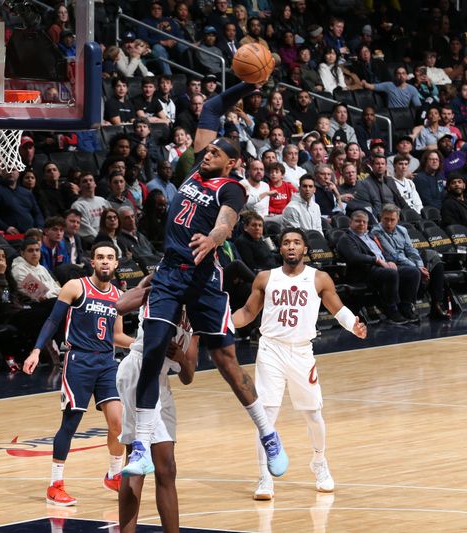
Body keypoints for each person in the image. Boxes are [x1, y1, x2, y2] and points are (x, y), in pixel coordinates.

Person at [123, 81, 288, 480]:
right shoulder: (198, 169)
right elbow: (213, 105)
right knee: (153, 349)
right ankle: (141, 445)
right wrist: (248, 85)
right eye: (209, 149)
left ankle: (268, 435)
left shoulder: (231, 188)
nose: (208, 151)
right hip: (169, 273)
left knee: (227, 361)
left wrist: (215, 237)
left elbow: (227, 220)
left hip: (204, 278)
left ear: (231, 163)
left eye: (216, 152)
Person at [232, 227, 367, 500]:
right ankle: (264, 477)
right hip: (270, 350)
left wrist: (353, 325)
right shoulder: (265, 278)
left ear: (305, 249)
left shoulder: (318, 278)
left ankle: (319, 461)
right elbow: (247, 312)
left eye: (296, 242)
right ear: (280, 249)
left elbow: (337, 308)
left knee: (313, 415)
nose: (291, 246)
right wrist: (221, 326)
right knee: (265, 418)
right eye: (286, 243)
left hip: (302, 353)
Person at [22, 243, 134, 506]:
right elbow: (52, 321)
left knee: (118, 424)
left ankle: (114, 474)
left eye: (110, 258)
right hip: (79, 361)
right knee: (70, 424)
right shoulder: (76, 287)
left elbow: (116, 336)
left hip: (107, 362)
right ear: (92, 262)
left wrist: (143, 344)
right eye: (100, 257)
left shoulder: (118, 295)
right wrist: (36, 351)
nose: (105, 262)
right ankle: (55, 485)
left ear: (116, 264)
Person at [116, 279, 197, 533]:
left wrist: (181, 358)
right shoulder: (161, 289)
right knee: (139, 464)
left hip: (162, 381)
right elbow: (120, 305)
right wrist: (149, 285)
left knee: (167, 468)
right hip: (138, 370)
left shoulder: (197, 312)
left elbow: (188, 376)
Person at [335, 210, 416, 324]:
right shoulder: (345, 238)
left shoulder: (371, 236)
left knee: (412, 272)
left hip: (380, 267)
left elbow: (383, 252)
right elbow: (354, 257)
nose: (361, 224)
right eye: (358, 221)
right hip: (363, 271)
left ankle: (406, 307)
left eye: (364, 222)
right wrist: (377, 260)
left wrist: (390, 261)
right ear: (350, 222)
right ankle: (391, 310)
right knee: (390, 274)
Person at [372, 204, 450, 321]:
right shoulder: (376, 231)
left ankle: (436, 305)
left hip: (408, 261)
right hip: (392, 263)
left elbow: (411, 250)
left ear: (398, 219)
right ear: (380, 218)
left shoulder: (402, 230)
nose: (388, 223)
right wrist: (417, 268)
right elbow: (394, 255)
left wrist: (420, 265)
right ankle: (406, 306)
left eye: (392, 220)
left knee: (434, 257)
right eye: (385, 219)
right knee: (413, 271)